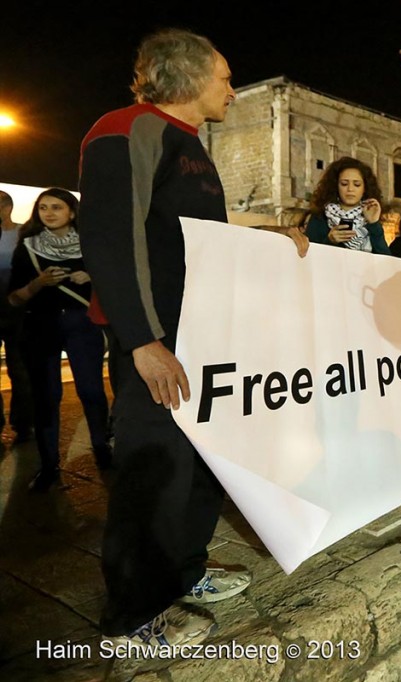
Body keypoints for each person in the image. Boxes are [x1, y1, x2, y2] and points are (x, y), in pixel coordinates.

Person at [78, 29, 308, 652]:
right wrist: (143, 341)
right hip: (158, 339)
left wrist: (272, 231)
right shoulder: (125, 130)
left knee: (199, 458)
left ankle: (185, 572)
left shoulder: (189, 144)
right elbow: (111, 240)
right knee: (151, 472)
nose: (232, 90)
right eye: (226, 78)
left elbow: (201, 230)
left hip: (203, 330)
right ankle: (131, 618)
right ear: (188, 76)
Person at [7, 189, 110, 490]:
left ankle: (102, 448)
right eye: (43, 208)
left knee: (91, 390)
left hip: (83, 325)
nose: (49, 213)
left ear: (72, 212)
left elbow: (116, 286)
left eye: (57, 207)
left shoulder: (91, 245)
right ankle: (49, 464)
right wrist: (38, 284)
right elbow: (14, 298)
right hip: (41, 327)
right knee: (46, 397)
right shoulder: (27, 247)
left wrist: (92, 277)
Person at [304, 157, 389, 254]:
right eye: (344, 184)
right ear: (336, 186)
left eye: (357, 184)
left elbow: (385, 259)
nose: (350, 189)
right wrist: (330, 241)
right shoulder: (320, 216)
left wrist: (374, 224)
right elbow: (309, 255)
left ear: (365, 188)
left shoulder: (370, 217)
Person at [0, 190, 33, 444]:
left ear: (8, 207)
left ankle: (23, 424)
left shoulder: (23, 234)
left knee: (20, 368)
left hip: (18, 309)